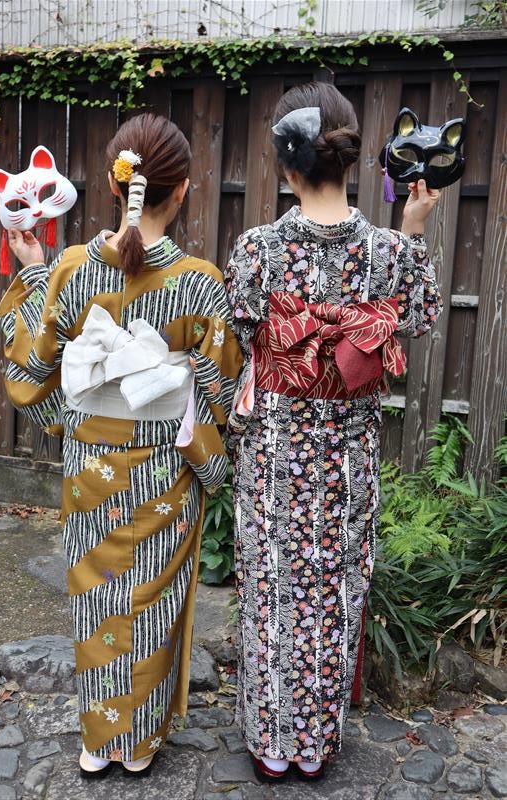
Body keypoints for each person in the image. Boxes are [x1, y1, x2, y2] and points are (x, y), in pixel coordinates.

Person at [0, 113, 243, 778]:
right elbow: (220, 386)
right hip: (165, 466)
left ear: (113, 184)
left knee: (96, 594)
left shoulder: (73, 269)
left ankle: (97, 740)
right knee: (151, 597)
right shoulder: (199, 281)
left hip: (91, 466)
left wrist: (33, 274)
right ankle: (137, 744)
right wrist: (204, 443)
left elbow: (32, 368)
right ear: (182, 188)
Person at [224, 82, 442, 782]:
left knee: (271, 589)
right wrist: (413, 230)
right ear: (351, 158)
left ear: (285, 164)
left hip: (276, 450)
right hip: (347, 453)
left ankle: (273, 743)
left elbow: (241, 331)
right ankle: (315, 745)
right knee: (332, 588)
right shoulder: (387, 250)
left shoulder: (257, 249)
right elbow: (421, 316)